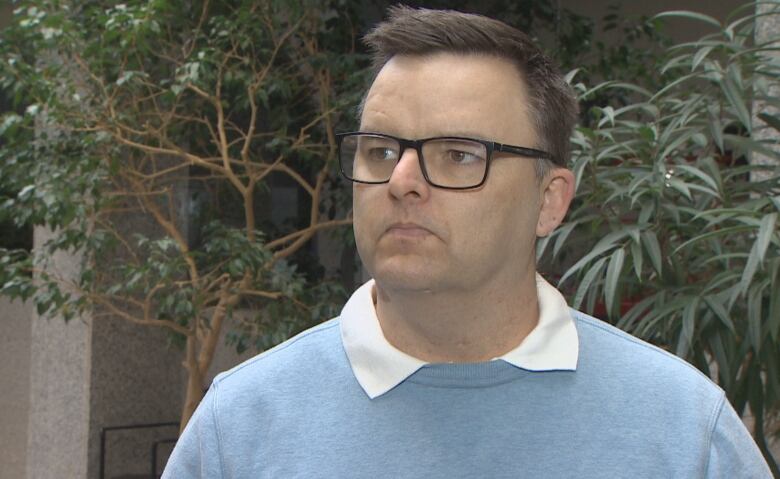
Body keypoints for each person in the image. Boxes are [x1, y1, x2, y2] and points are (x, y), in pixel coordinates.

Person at [163, 6, 772, 478]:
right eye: (380, 150)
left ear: (550, 199)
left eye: (458, 155)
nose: (402, 181)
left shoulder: (684, 433)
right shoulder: (240, 429)